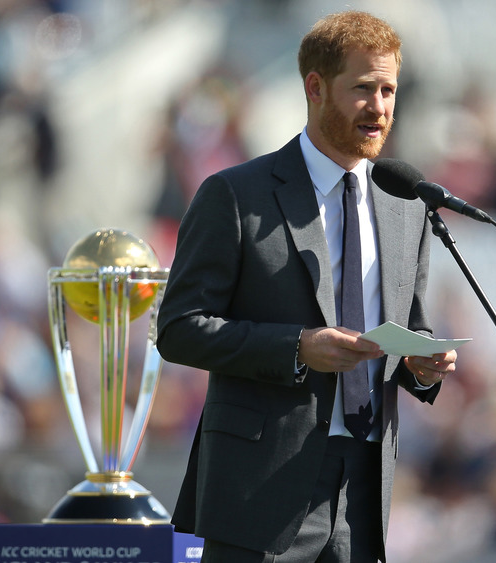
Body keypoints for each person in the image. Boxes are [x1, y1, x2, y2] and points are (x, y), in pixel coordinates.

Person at [156, 10, 457, 562]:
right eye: (363, 89)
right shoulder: (234, 194)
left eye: (388, 89)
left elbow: (410, 325)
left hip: (367, 488)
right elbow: (178, 330)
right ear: (315, 88)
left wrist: (420, 363)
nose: (381, 107)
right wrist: (297, 348)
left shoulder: (405, 204)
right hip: (258, 493)